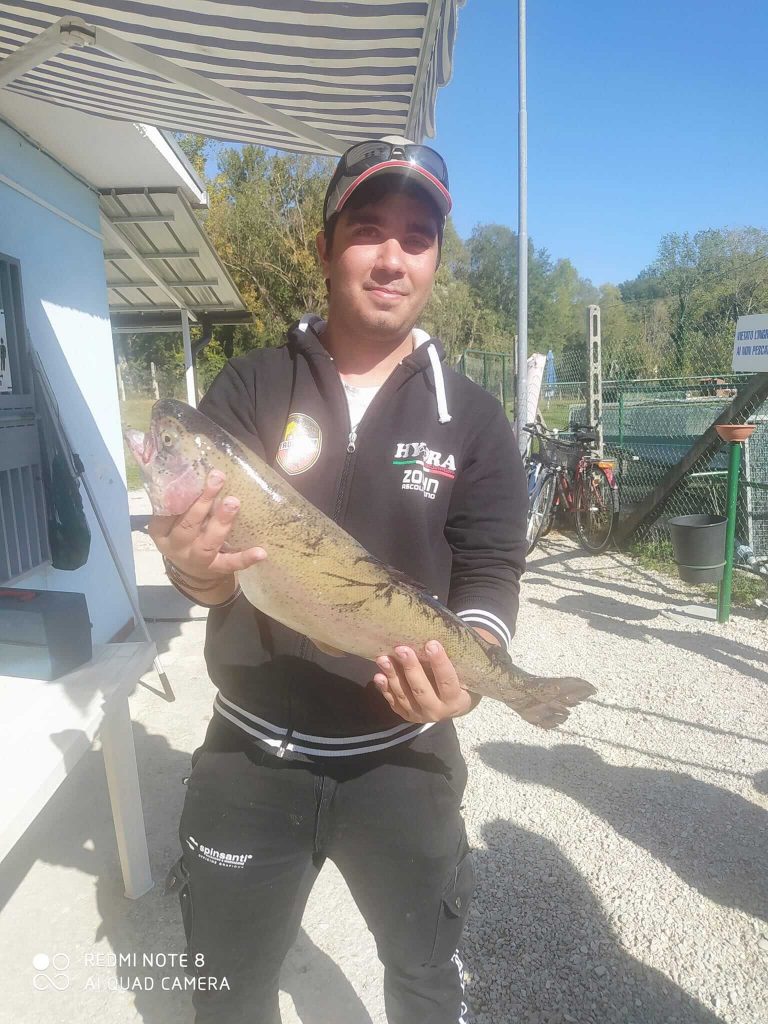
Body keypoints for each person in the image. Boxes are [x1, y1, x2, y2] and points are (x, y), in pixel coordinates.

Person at [150, 137, 528, 1024]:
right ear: (324, 248)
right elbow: (211, 576)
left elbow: (491, 564)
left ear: (435, 258)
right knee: (226, 990)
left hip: (403, 758)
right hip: (248, 755)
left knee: (426, 978)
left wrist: (474, 670)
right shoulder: (246, 386)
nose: (394, 257)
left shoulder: (471, 418)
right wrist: (192, 569)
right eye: (368, 230)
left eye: (418, 236)